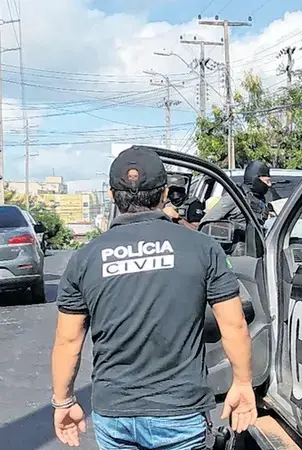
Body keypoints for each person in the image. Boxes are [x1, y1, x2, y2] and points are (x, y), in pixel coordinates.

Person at [50, 146, 257, 449]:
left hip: (115, 413)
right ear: (164, 194)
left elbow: (68, 341)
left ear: (111, 195)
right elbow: (234, 324)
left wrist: (63, 401)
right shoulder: (202, 248)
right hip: (181, 412)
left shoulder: (85, 258)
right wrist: (242, 383)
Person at [201, 160, 279, 227]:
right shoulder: (235, 197)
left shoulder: (261, 199)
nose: (270, 185)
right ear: (255, 179)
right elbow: (206, 223)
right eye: (267, 181)